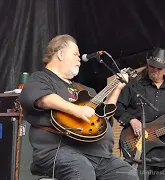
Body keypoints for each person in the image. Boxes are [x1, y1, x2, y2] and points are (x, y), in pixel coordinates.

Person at [20, 34, 138, 180]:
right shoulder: (40, 79)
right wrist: (77, 110)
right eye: (75, 54)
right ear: (61, 54)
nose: (79, 59)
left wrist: (117, 89)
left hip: (98, 155)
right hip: (59, 151)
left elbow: (103, 117)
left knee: (128, 174)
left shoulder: (86, 90)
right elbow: (43, 99)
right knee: (82, 170)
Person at [114, 48, 165, 180]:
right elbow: (116, 107)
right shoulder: (134, 85)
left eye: (159, 68)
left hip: (164, 154)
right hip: (137, 151)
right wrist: (131, 120)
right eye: (152, 66)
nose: (154, 70)